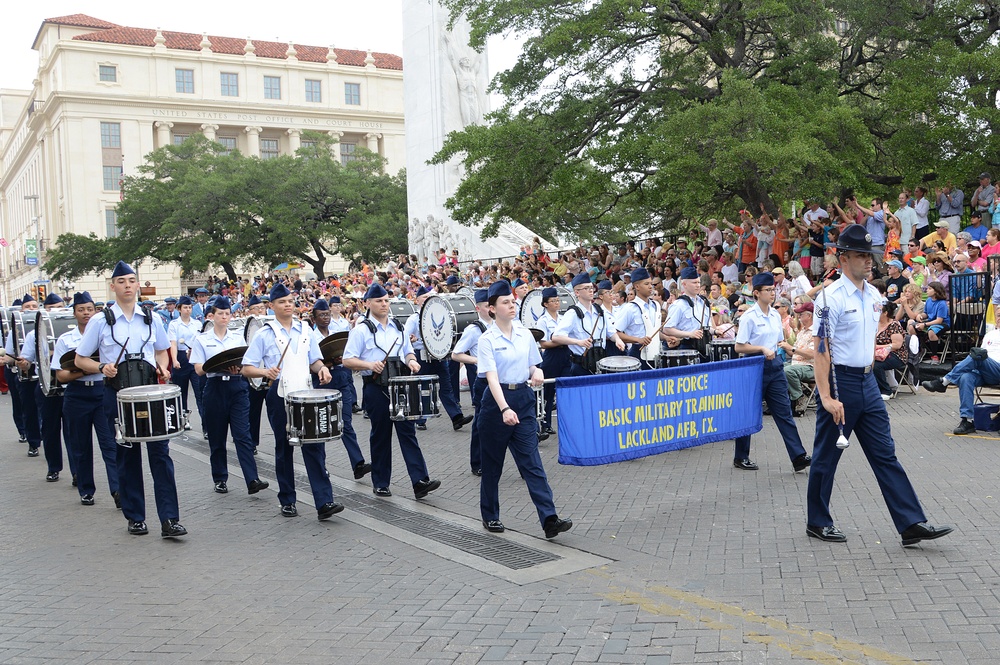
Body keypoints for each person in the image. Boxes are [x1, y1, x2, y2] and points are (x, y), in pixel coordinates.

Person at [807, 224, 953, 547]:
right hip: (840, 381)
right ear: (843, 258)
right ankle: (817, 520)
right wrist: (827, 397)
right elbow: (821, 351)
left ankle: (911, 522)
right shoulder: (829, 298)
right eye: (861, 255)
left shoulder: (874, 295)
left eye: (870, 255)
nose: (869, 261)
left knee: (885, 454)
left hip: (867, 382)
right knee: (826, 456)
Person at [75, 261, 187, 538]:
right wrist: (102, 368)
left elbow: (162, 351)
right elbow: (80, 359)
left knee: (160, 456)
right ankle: (136, 517)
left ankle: (169, 519)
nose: (127, 285)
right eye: (121, 281)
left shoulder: (152, 317)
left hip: (150, 394)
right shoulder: (101, 320)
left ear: (138, 285)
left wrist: (163, 365)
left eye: (131, 280)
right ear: (113, 286)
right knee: (127, 457)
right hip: (118, 395)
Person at [477, 279, 573, 538]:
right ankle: (490, 515)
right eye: (505, 302)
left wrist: (537, 370)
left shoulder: (523, 334)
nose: (511, 305)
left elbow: (533, 364)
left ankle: (549, 518)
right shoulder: (487, 339)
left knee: (532, 463)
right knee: (493, 464)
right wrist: (505, 409)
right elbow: (492, 378)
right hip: (496, 404)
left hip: (524, 399)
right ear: (492, 308)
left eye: (512, 301)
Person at [242, 283, 344, 521]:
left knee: (314, 446)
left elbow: (315, 360)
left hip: (305, 391)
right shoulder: (264, 333)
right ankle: (287, 499)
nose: (288, 305)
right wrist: (264, 372)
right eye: (282, 302)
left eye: (290, 301)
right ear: (272, 306)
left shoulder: (305, 329)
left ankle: (324, 501)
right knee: (284, 447)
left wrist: (322, 370)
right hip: (279, 393)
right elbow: (247, 368)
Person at [342, 283, 442, 500]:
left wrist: (413, 361)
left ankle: (420, 481)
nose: (384, 304)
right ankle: (380, 482)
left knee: (408, 433)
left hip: (400, 386)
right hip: (376, 387)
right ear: (367, 303)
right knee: (381, 435)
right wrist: (369, 365)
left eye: (386, 300)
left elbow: (407, 352)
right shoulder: (362, 330)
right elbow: (347, 359)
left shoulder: (398, 326)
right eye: (379, 301)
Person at [732, 272, 811, 472]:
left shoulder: (775, 315)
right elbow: (739, 347)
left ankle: (798, 455)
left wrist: (782, 348)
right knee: (749, 413)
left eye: (773, 289)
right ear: (757, 293)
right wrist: (760, 349)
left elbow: (777, 341)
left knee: (784, 412)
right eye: (768, 290)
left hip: (774, 366)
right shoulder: (749, 316)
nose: (772, 293)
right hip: (754, 365)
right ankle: (741, 456)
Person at [190, 296, 269, 496]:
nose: (224, 317)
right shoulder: (202, 339)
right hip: (215, 387)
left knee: (242, 435)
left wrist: (236, 367)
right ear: (212, 316)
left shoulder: (236, 338)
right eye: (220, 314)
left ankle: (252, 479)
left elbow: (245, 363)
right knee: (217, 438)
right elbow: (199, 369)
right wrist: (216, 365)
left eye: (227, 314)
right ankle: (220, 478)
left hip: (236, 387)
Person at [53, 292, 119, 507]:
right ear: (74, 313)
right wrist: (84, 371)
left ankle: (117, 490)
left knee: (110, 444)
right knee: (80, 446)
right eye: (81, 310)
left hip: (102, 392)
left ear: (95, 311)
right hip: (77, 395)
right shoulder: (66, 340)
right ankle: (86, 490)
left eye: (90, 309)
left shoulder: (107, 335)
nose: (86, 313)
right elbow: (61, 376)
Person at [310, 297, 371, 480]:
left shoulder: (338, 332)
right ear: (314, 319)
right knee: (321, 426)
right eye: (321, 315)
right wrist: (326, 363)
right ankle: (321, 466)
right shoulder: (310, 337)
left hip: (341, 377)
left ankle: (357, 463)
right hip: (321, 382)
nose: (326, 318)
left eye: (327, 314)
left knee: (345, 422)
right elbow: (309, 362)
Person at [18, 292, 75, 482]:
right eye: (51, 309)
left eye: (60, 308)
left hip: (71, 386)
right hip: (46, 386)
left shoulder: (74, 332)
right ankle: (54, 467)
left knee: (73, 432)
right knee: (50, 430)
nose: (56, 313)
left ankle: (77, 472)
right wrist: (24, 364)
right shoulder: (35, 333)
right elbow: (27, 360)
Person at [403, 286, 473, 431]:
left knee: (446, 388)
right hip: (421, 356)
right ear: (417, 301)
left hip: (438, 356)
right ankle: (420, 419)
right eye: (424, 297)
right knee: (422, 388)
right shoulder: (414, 318)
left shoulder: (438, 315)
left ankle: (456, 417)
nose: (427, 299)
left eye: (429, 297)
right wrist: (412, 339)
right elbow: (404, 337)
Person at [922, 328, 1000, 434]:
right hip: (983, 370)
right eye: (998, 315)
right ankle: (967, 421)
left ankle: (944, 381)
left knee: (978, 354)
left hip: (997, 370)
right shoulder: (990, 334)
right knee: (965, 378)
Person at [450, 289, 492, 475]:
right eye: (486, 306)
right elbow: (456, 354)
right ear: (478, 308)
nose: (490, 310)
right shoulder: (474, 329)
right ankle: (478, 462)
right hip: (481, 377)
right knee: (481, 420)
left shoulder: (502, 325)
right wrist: (477, 360)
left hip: (500, 376)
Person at [552, 273, 626, 375]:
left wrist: (617, 339)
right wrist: (578, 342)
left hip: (601, 362)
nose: (591, 290)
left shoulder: (599, 311)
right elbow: (556, 337)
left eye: (591, 287)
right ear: (577, 292)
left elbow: (611, 332)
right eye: (586, 288)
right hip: (581, 365)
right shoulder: (573, 313)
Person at [4, 294, 42, 456]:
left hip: (45, 377)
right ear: (22, 310)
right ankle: (33, 442)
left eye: (34, 306)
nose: (31, 309)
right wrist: (17, 362)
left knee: (45, 412)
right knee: (29, 410)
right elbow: (8, 355)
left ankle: (45, 438)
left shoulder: (46, 326)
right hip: (25, 376)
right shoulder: (16, 330)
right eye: (28, 307)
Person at [168, 296, 205, 433]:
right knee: (181, 392)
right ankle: (184, 419)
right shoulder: (174, 325)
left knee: (199, 392)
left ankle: (206, 425)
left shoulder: (197, 324)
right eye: (185, 307)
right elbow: (173, 344)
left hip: (195, 358)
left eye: (189, 307)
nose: (188, 310)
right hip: (181, 358)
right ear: (179, 309)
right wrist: (174, 360)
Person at [663, 267, 713, 359]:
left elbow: (708, 327)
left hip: (705, 346)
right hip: (687, 348)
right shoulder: (678, 305)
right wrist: (689, 334)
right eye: (694, 283)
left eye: (698, 282)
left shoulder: (704, 302)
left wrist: (716, 331)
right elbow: (667, 329)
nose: (698, 285)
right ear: (684, 284)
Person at [784, 302, 816, 416]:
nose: (798, 317)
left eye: (801, 314)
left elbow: (812, 354)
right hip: (797, 363)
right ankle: (784, 400)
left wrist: (791, 348)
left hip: (810, 366)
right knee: (776, 367)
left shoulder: (815, 332)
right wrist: (784, 342)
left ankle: (799, 396)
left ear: (809, 316)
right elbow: (793, 352)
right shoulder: (802, 331)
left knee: (788, 371)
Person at [873, 301, 908, 399]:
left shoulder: (894, 325)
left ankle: (886, 391)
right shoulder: (874, 324)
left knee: (876, 366)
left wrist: (878, 347)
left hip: (896, 355)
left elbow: (897, 345)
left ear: (885, 313)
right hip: (876, 353)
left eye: (878, 311)